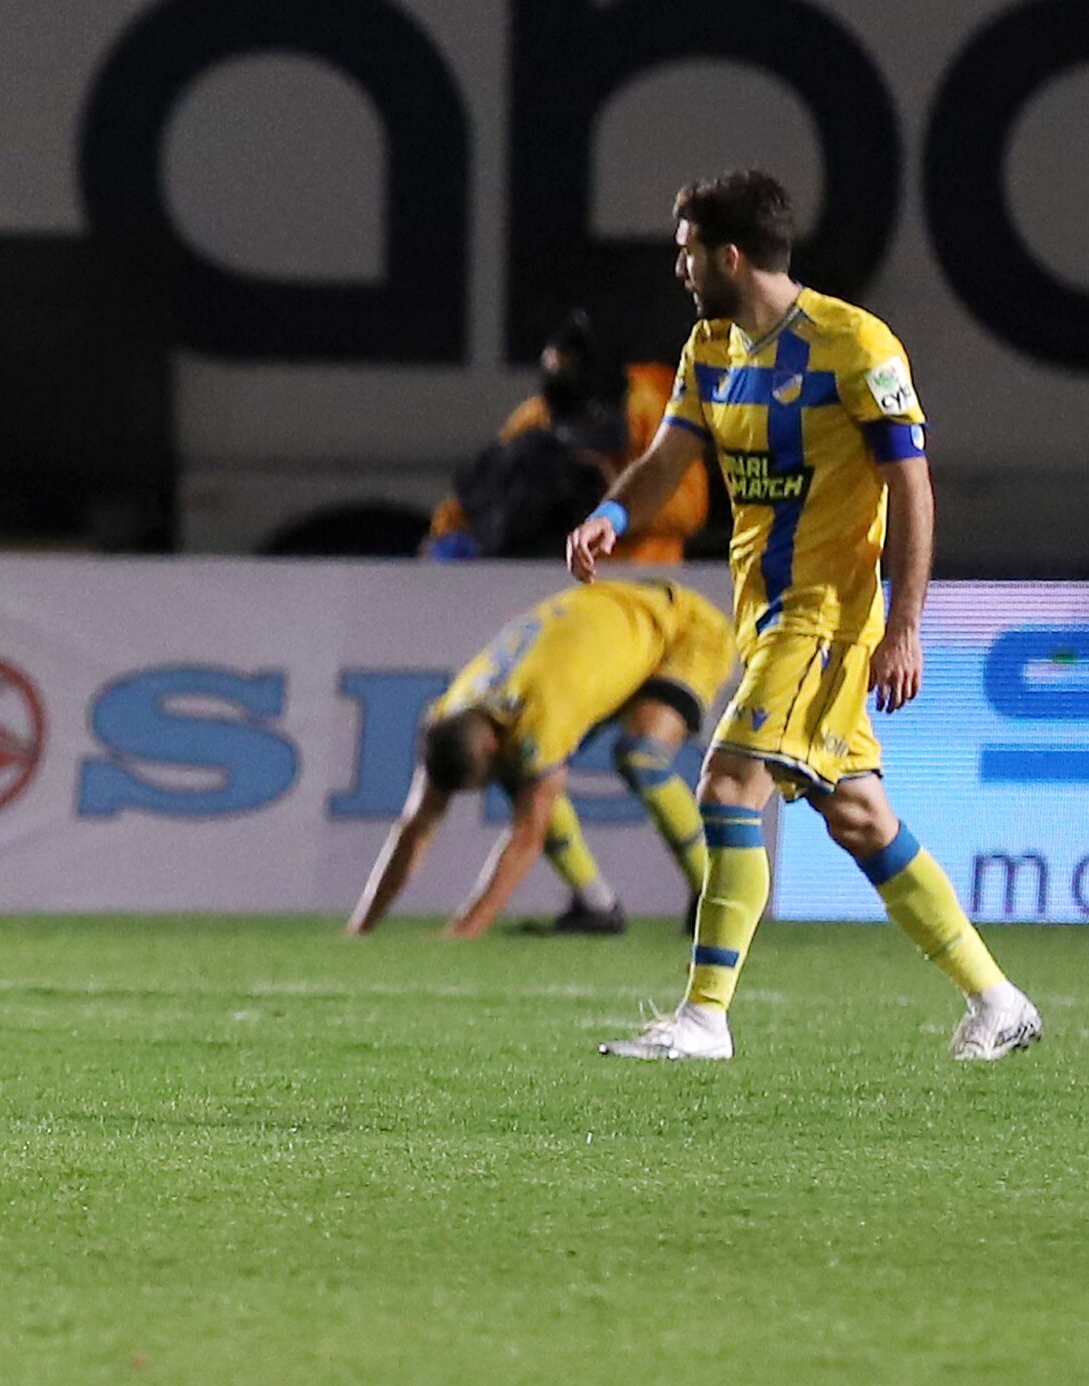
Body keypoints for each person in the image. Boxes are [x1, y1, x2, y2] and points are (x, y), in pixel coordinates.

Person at [568, 169, 1041, 1062]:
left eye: (688, 252)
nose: (679, 268)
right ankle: (1000, 1002)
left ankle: (704, 1019)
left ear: (730, 256)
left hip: (823, 620)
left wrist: (905, 625)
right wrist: (612, 515)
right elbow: (668, 461)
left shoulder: (855, 345)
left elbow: (912, 488)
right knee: (859, 816)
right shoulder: (710, 348)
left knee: (726, 786)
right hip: (763, 615)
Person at [347, 579, 732, 939]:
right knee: (523, 773)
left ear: (490, 746)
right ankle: (596, 907)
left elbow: (527, 837)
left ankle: (713, 893)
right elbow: (416, 826)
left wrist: (466, 930)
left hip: (683, 631)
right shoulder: (452, 710)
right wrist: (362, 929)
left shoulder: (541, 717)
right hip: (610, 626)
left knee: (639, 756)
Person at [425, 311, 707, 562]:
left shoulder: (649, 409)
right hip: (557, 570)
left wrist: (616, 492)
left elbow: (691, 509)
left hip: (641, 573)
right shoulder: (536, 419)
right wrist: (446, 536)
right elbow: (485, 489)